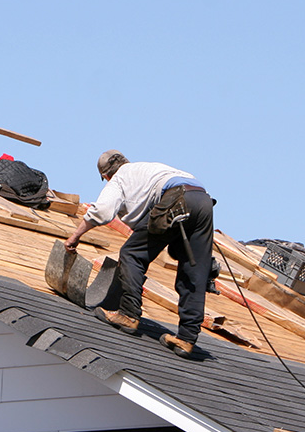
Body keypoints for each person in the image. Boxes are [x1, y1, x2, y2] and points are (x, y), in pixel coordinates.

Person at [64, 150, 215, 359]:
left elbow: (103, 211)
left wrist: (75, 236)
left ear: (106, 175)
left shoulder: (119, 178)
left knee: (132, 254)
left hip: (176, 199)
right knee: (194, 268)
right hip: (203, 200)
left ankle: (128, 314)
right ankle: (187, 339)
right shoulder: (145, 170)